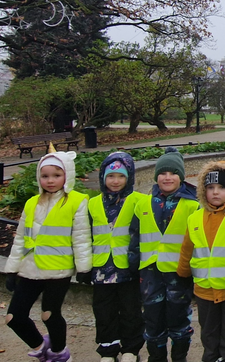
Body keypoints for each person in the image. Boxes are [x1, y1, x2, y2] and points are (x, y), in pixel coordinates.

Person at [4, 149, 91, 362]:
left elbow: (81, 237)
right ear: (39, 177)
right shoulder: (32, 202)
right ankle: (42, 348)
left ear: (66, 176)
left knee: (49, 315)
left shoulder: (76, 201)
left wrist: (84, 268)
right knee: (13, 317)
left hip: (57, 268)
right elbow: (21, 238)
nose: (50, 181)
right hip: (30, 268)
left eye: (56, 175)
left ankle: (60, 353)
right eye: (45, 176)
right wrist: (11, 269)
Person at [176, 160, 225, 362]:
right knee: (209, 337)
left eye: (221, 187)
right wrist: (182, 273)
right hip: (204, 291)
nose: (215, 192)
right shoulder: (195, 218)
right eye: (210, 187)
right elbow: (187, 249)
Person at [132, 147, 199, 362]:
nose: (167, 177)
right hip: (150, 274)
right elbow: (135, 235)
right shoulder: (143, 203)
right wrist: (133, 261)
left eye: (173, 173)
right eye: (163, 173)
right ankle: (156, 357)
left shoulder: (193, 205)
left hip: (178, 274)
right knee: (152, 320)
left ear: (181, 176)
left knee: (178, 319)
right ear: (156, 176)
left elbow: (198, 242)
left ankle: (180, 357)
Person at [85, 152, 146, 362]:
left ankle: (131, 348)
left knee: (131, 310)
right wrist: (84, 266)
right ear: (103, 178)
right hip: (101, 267)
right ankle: (108, 348)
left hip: (127, 267)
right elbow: (85, 236)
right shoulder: (92, 203)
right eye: (111, 177)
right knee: (104, 311)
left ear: (129, 177)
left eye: (121, 176)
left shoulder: (139, 201)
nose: (115, 181)